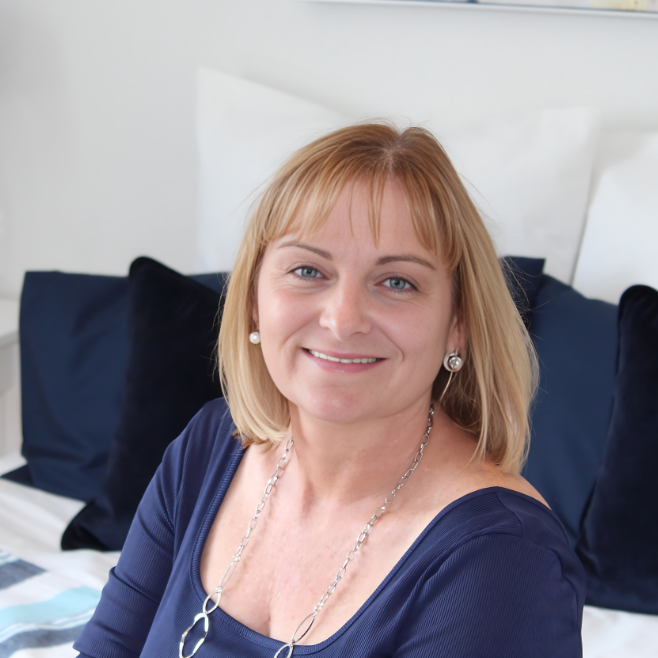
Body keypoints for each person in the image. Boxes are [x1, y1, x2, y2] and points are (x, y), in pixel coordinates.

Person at [75, 123, 586, 658]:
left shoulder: (503, 558)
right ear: (254, 302)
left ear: (457, 324)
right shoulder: (208, 448)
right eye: (307, 270)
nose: (343, 321)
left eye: (397, 282)